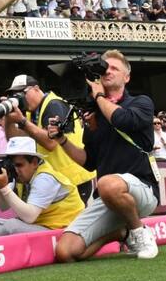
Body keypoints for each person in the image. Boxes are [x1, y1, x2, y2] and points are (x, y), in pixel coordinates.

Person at [53, 50, 160, 262]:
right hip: (108, 196)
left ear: (126, 77)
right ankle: (123, 233)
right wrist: (61, 140)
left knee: (107, 184)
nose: (107, 71)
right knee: (65, 252)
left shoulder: (141, 102)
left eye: (114, 68)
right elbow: (89, 162)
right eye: (104, 68)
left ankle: (141, 233)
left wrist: (99, 96)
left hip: (142, 190)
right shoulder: (94, 115)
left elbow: (122, 120)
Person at [3, 74, 96, 203]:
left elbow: (51, 143)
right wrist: (8, 119)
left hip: (73, 181)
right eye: (15, 95)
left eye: (22, 93)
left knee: (72, 222)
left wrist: (22, 121)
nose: (20, 98)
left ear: (36, 88)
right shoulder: (32, 113)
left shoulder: (54, 104)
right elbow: (14, 140)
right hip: (55, 181)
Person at [0, 137, 84, 237]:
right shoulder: (20, 175)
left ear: (34, 163)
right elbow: (3, 206)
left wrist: (4, 188)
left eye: (19, 165)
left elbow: (29, 217)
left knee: (12, 225)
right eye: (12, 165)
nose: (15, 169)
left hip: (67, 230)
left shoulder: (45, 178)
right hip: (43, 226)